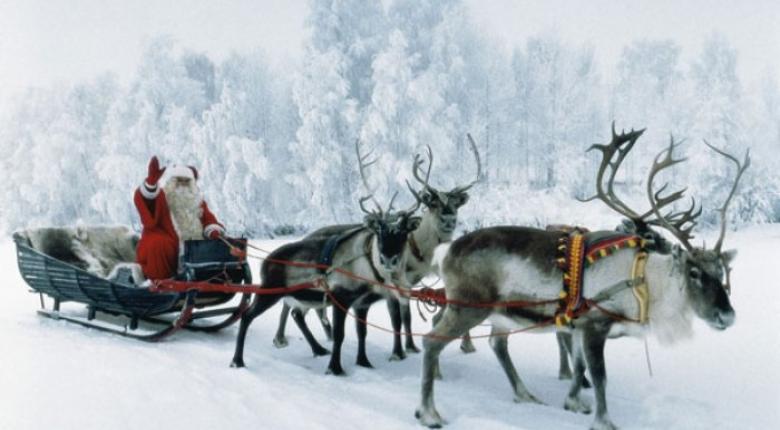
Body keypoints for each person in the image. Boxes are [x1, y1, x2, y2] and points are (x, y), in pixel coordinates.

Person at [134, 156, 225, 280]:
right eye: (178, 181)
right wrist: (150, 184)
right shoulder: (162, 197)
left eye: (186, 181)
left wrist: (213, 231)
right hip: (168, 243)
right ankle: (160, 282)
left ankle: (210, 278)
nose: (182, 184)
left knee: (217, 246)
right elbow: (146, 202)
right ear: (171, 182)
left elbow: (209, 219)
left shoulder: (197, 202)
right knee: (158, 244)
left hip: (193, 247)